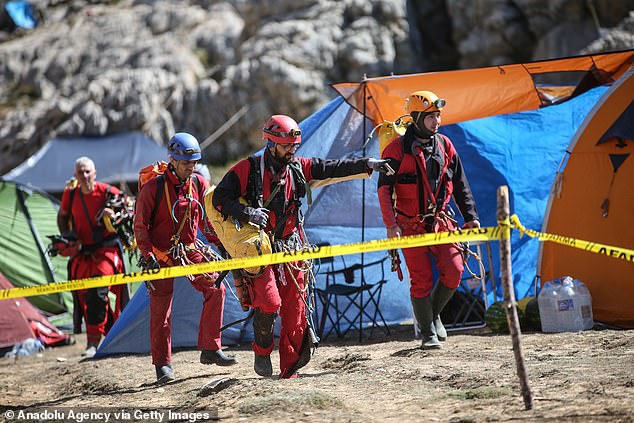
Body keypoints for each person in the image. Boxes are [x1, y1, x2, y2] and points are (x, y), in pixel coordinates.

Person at [212, 114, 389, 379]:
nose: (292, 151)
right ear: (271, 144)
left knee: (295, 313)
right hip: (260, 251)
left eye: (295, 146)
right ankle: (262, 350)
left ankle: (289, 370)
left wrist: (369, 164)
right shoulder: (247, 169)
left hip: (292, 249)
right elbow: (219, 198)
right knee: (270, 303)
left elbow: (331, 167)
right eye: (287, 146)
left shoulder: (299, 168)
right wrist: (248, 212)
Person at [377, 91, 480, 349]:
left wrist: (471, 218)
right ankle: (427, 335)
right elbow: (383, 191)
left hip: (440, 221)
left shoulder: (445, 145)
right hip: (409, 225)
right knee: (421, 279)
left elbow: (460, 184)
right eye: (431, 116)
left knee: (455, 271)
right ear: (417, 118)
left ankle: (432, 316)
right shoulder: (395, 150)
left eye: (438, 116)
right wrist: (391, 225)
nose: (436, 121)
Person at [133, 132, 237, 385]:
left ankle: (211, 347)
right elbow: (140, 226)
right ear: (173, 160)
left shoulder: (199, 183)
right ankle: (162, 366)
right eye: (186, 163)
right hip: (159, 254)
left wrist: (223, 245)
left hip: (189, 249)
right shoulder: (153, 188)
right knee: (161, 312)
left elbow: (207, 220)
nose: (191, 167)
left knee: (216, 288)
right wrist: (147, 256)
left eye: (194, 163)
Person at [57, 157, 127, 358]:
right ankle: (111, 334)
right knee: (84, 297)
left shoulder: (108, 192)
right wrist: (67, 238)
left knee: (97, 291)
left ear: (95, 173)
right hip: (82, 252)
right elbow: (62, 216)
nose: (85, 176)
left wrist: (112, 213)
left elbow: (129, 210)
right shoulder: (70, 195)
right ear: (76, 175)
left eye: (88, 172)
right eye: (81, 172)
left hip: (107, 251)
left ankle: (93, 343)